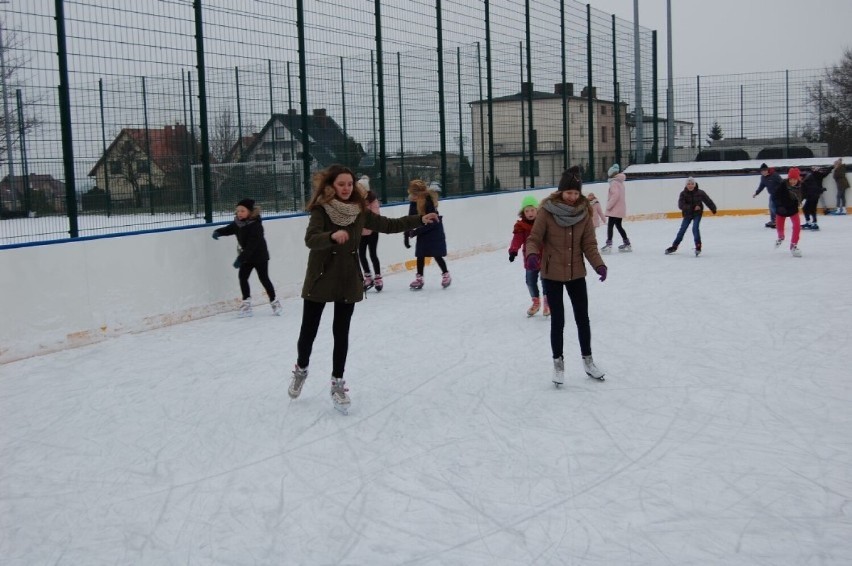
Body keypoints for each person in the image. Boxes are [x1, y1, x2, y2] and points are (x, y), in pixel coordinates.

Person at [289, 164, 439, 413]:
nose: (346, 188)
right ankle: (301, 369)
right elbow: (310, 239)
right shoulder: (321, 210)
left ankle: (337, 382)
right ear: (331, 186)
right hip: (321, 276)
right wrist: (330, 236)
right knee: (309, 330)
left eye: (350, 184)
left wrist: (419, 219)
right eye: (341, 184)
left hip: (348, 278)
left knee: (341, 332)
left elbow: (388, 224)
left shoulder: (359, 211)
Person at [524, 166, 608, 385]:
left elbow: (589, 244)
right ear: (561, 191)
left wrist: (599, 265)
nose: (572, 197)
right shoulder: (547, 211)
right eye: (568, 192)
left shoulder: (584, 212)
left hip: (576, 273)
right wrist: (532, 255)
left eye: (575, 193)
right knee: (558, 321)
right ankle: (558, 364)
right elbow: (534, 238)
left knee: (583, 319)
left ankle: (588, 362)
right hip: (551, 274)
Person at [212, 198, 281, 317]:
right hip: (246, 257)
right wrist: (218, 232)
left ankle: (275, 302)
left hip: (260, 256)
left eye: (242, 211)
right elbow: (229, 229)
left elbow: (251, 246)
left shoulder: (256, 226)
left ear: (250, 212)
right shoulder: (238, 223)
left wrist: (240, 259)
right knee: (243, 277)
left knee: (264, 278)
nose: (239, 213)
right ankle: (246, 305)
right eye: (238, 211)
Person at [405, 179, 451, 290]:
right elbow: (409, 220)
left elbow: (433, 221)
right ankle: (419, 278)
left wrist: (415, 232)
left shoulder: (428, 200)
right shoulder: (413, 202)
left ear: (420, 193)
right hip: (423, 229)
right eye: (411, 194)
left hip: (434, 230)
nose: (412, 196)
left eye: (414, 194)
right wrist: (406, 236)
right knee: (420, 254)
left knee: (436, 254)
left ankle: (446, 274)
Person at [508, 194, 549, 317]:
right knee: (530, 281)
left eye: (532, 210)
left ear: (537, 210)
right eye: (527, 211)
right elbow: (517, 239)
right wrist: (513, 251)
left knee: (545, 281)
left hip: (545, 257)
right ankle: (536, 302)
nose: (530, 213)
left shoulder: (544, 223)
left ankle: (547, 303)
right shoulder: (521, 227)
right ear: (523, 212)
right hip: (530, 259)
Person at [664, 177, 717, 257]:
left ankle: (698, 246)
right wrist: (692, 207)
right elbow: (681, 205)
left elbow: (707, 200)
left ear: (695, 185)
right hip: (687, 214)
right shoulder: (683, 194)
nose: (690, 186)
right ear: (686, 185)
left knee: (695, 228)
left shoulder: (700, 193)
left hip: (697, 214)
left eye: (692, 184)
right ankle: (674, 246)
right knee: (682, 230)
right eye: (688, 184)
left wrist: (713, 208)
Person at [773, 167, 804, 257]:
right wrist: (779, 206)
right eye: (791, 179)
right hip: (782, 209)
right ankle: (780, 237)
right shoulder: (783, 185)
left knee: (797, 226)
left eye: (794, 179)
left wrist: (817, 191)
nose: (792, 181)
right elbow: (775, 197)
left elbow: (808, 192)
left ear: (797, 179)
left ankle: (793, 245)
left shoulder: (800, 187)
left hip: (792, 209)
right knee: (779, 226)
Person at [358, 186, 384, 291]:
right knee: (361, 254)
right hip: (361, 233)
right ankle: (368, 276)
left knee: (373, 254)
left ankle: (378, 277)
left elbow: (376, 215)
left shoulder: (373, 200)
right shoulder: (355, 201)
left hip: (373, 231)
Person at [602, 163, 631, 253]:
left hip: (614, 209)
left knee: (610, 226)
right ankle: (627, 243)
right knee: (618, 226)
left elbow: (615, 195)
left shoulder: (614, 183)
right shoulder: (620, 182)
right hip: (620, 208)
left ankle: (609, 244)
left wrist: (609, 206)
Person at [753, 163, 783, 228]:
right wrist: (756, 193)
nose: (763, 172)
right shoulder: (763, 178)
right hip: (772, 194)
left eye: (765, 171)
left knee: (773, 207)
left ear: (767, 170)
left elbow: (782, 182)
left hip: (778, 194)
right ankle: (773, 221)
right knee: (771, 207)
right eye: (762, 171)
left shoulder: (774, 175)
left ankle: (778, 220)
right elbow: (761, 186)